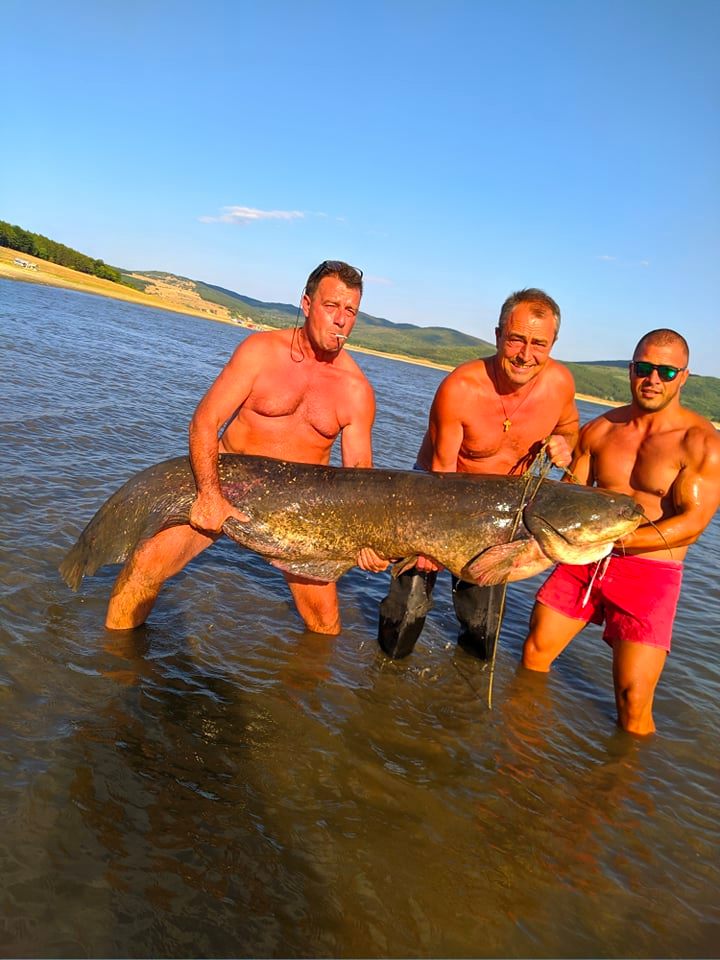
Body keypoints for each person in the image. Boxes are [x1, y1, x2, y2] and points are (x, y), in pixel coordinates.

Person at [105, 259, 388, 636]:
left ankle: (310, 675)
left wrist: (368, 539)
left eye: (350, 311)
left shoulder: (356, 391)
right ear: (307, 304)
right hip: (224, 483)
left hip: (298, 510)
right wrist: (209, 495)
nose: (340, 320)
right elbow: (205, 421)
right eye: (331, 306)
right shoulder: (260, 352)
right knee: (145, 564)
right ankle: (112, 661)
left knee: (323, 622)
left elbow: (360, 478)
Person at [522, 328, 720, 735]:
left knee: (633, 700)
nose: (653, 379)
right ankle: (518, 747)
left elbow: (691, 526)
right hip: (584, 560)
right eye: (643, 368)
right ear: (630, 370)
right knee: (535, 651)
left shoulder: (701, 443)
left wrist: (618, 541)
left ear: (684, 377)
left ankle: (625, 772)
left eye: (666, 371)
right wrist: (559, 462)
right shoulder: (601, 429)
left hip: (649, 573)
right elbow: (572, 495)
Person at [378, 288, 579, 659]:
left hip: (501, 512)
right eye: (516, 339)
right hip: (436, 492)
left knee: (482, 625)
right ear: (498, 335)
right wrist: (430, 543)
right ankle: (385, 670)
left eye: (539, 343)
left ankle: (466, 683)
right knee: (407, 609)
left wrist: (565, 443)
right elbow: (440, 477)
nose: (525, 354)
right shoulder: (461, 388)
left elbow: (569, 426)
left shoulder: (560, 384)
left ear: (552, 344)